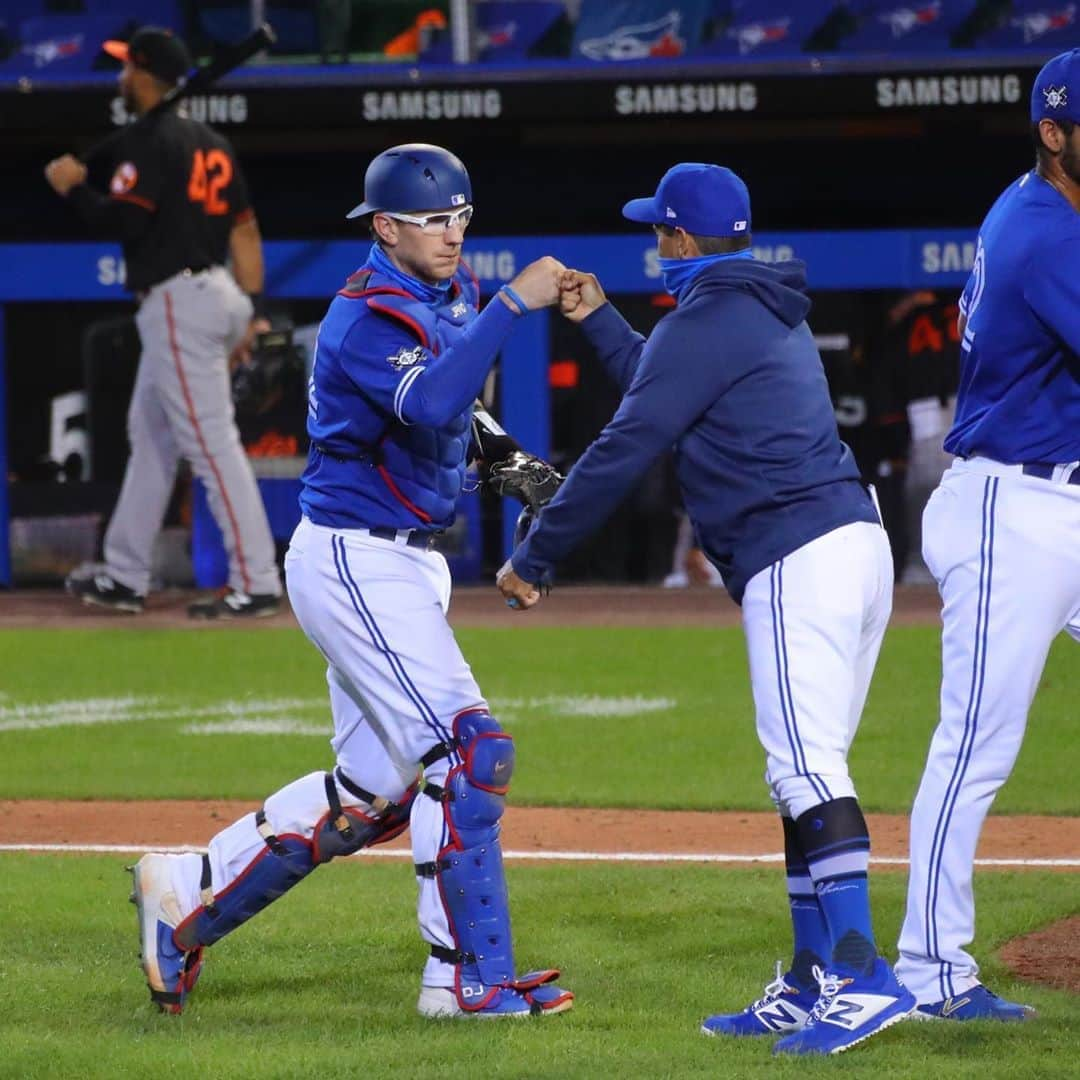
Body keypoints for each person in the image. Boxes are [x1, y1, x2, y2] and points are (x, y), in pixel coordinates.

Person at [126, 143, 573, 1020]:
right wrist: (517, 305)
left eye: (459, 217)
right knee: (471, 753)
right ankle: (463, 980)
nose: (451, 234)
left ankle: (184, 893)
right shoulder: (363, 315)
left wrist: (513, 463)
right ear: (384, 227)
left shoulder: (449, 293)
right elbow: (429, 401)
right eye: (431, 220)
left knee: (371, 794)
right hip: (354, 557)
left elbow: (458, 413)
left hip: (406, 561)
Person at [497, 162, 915, 1055]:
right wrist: (599, 320)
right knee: (804, 773)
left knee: (806, 771)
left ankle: (864, 977)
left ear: (683, 239)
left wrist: (537, 556)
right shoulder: (745, 303)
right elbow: (667, 384)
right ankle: (812, 978)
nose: (656, 244)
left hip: (799, 554)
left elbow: (626, 442)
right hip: (846, 544)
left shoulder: (713, 314)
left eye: (660, 232)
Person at [895, 49, 1080, 1022]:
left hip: (1060, 504)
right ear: (1056, 134)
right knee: (975, 746)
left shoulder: (1046, 203)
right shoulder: (1044, 230)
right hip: (1016, 508)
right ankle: (930, 972)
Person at [44, 26, 283, 618]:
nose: (121, 76)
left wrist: (73, 190)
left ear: (146, 74)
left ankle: (256, 581)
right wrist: (251, 314)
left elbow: (121, 224)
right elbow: (246, 232)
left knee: (210, 443)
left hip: (179, 300)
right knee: (150, 436)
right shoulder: (212, 142)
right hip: (217, 293)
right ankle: (125, 574)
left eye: (128, 68)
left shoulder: (148, 143)